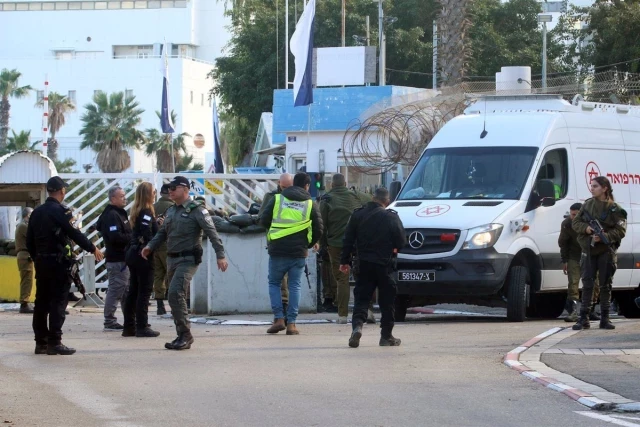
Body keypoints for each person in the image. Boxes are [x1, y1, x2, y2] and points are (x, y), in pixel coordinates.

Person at [141, 176, 228, 350]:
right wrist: (150, 246)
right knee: (173, 297)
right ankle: (181, 334)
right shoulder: (172, 211)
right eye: (169, 189)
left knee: (175, 293)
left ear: (186, 189)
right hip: (171, 258)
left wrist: (221, 255)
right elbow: (162, 232)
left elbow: (212, 232)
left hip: (188, 259)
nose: (170, 191)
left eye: (174, 188)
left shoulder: (198, 210)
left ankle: (186, 335)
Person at [27, 176, 104, 355]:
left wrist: (37, 258)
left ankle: (41, 343)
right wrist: (92, 248)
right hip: (58, 264)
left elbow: (29, 241)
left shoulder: (36, 212)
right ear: (62, 191)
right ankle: (55, 342)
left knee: (41, 303)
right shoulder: (60, 211)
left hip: (42, 263)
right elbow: (73, 233)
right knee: (58, 302)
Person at [340, 188, 406, 348]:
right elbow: (401, 242)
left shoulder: (357, 215)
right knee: (387, 302)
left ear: (372, 198)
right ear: (387, 201)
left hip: (363, 265)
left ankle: (357, 327)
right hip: (385, 265)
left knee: (362, 299)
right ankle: (386, 336)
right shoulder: (391, 217)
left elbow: (347, 239)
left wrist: (344, 261)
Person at [260, 172, 323, 335]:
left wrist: (276, 231)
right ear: (307, 186)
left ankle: (279, 319)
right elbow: (319, 229)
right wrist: (307, 244)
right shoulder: (310, 203)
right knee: (295, 285)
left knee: (274, 284)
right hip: (298, 252)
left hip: (277, 249)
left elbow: (263, 219)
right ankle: (292, 324)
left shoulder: (277, 199)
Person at [572, 176, 626, 331]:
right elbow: (576, 223)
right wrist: (588, 230)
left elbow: (621, 229)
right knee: (588, 284)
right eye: (591, 185)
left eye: (595, 186)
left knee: (605, 285)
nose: (592, 188)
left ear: (604, 188)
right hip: (589, 250)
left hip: (606, 252)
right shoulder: (587, 205)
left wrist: (605, 237)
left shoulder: (615, 209)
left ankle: (605, 318)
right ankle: (583, 318)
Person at [320, 173, 372, 324]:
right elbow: (372, 201)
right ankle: (367, 312)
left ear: (332, 185)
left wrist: (323, 245)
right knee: (362, 277)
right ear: (345, 183)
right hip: (357, 243)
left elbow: (322, 225)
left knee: (342, 279)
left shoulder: (327, 199)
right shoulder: (357, 196)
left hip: (336, 244)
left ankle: (342, 316)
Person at [123, 183, 161, 338]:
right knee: (143, 292)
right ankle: (142, 326)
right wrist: (154, 238)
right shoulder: (146, 212)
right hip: (143, 256)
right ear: (147, 194)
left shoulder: (137, 211)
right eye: (153, 192)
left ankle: (129, 326)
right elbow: (146, 235)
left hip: (134, 254)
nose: (155, 194)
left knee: (134, 291)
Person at [259, 173, 294, 321]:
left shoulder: (297, 197)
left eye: (288, 187)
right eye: (283, 186)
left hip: (292, 243)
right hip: (278, 242)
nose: (285, 190)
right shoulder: (271, 197)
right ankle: (283, 314)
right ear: (278, 183)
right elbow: (263, 218)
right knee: (281, 280)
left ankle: (285, 315)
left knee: (290, 281)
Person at [97, 186, 133, 331]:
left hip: (123, 258)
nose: (125, 198)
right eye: (122, 196)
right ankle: (109, 320)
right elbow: (115, 237)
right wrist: (132, 237)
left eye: (124, 195)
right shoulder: (112, 215)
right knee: (116, 289)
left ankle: (129, 318)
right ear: (113, 199)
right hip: (117, 260)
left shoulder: (119, 213)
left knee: (125, 291)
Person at [559, 203, 600, 322]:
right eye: (571, 214)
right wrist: (565, 260)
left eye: (575, 215)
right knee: (573, 283)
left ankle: (590, 310)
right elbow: (563, 243)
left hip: (590, 256)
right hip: (574, 256)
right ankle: (573, 312)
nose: (572, 217)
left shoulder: (591, 223)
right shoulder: (567, 224)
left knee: (595, 284)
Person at [153, 183, 174, 315]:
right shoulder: (173, 208)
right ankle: (173, 306)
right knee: (171, 275)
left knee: (158, 275)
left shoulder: (153, 207)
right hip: (168, 245)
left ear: (161, 193)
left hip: (155, 245)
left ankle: (160, 305)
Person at [15, 207, 34, 314]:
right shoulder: (23, 226)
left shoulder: (22, 225)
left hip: (26, 255)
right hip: (24, 255)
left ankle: (25, 301)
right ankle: (24, 303)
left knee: (28, 280)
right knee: (26, 280)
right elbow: (32, 236)